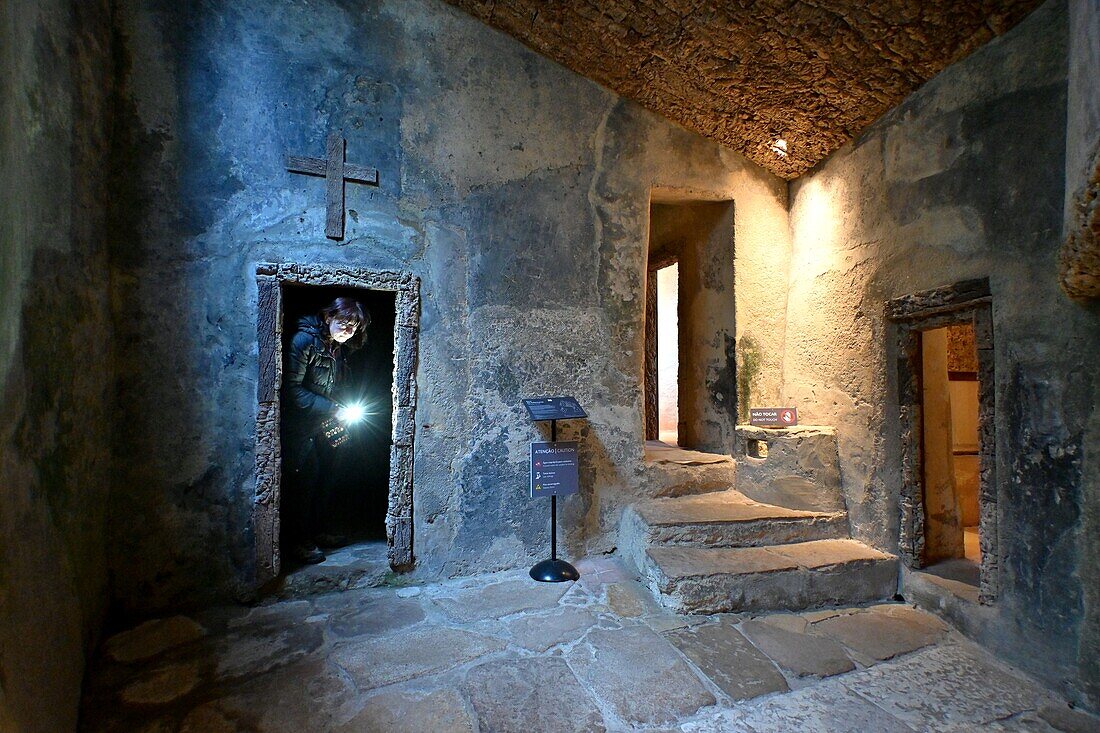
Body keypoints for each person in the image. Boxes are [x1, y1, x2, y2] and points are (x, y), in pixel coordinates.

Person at [282, 296, 369, 564]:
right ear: (328, 317)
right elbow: (292, 391)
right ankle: (299, 541)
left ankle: (319, 531)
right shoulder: (304, 341)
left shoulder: (337, 348)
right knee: (305, 478)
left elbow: (335, 385)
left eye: (354, 326)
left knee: (332, 471)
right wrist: (332, 408)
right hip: (302, 425)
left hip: (326, 422)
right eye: (343, 322)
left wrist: (344, 406)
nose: (348, 329)